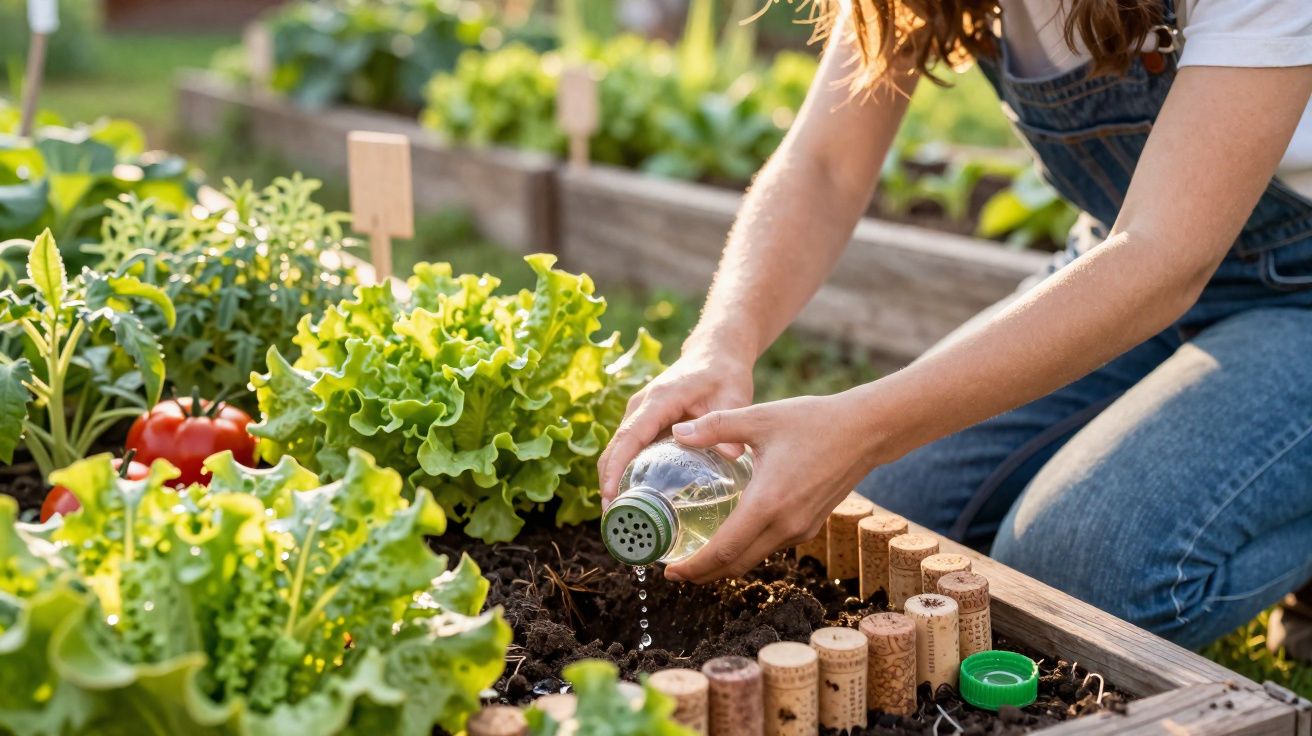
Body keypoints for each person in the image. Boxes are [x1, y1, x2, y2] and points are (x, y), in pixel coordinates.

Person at [598, 0, 1312, 653]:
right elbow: (823, 164)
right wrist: (720, 343)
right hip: (1122, 273)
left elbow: (1164, 255)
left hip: (1283, 292)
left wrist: (865, 425)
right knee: (894, 527)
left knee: (1079, 568)